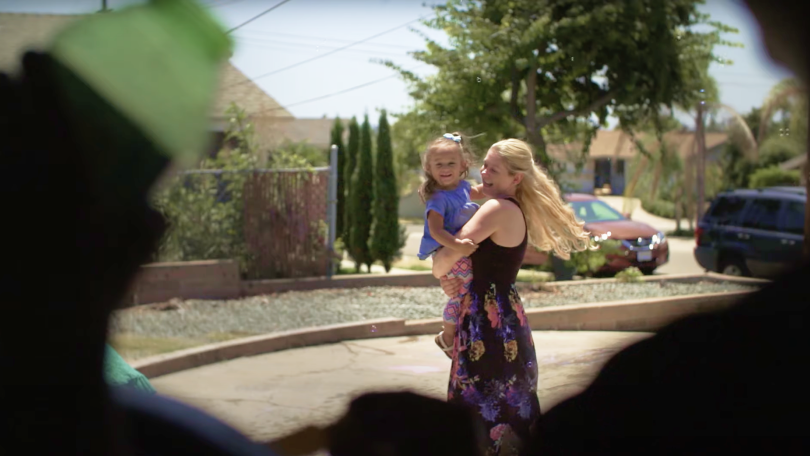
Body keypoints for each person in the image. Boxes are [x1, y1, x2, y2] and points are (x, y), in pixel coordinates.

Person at [431, 138, 593, 455]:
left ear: (515, 178)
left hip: (486, 326)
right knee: (510, 412)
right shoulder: (508, 206)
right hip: (502, 319)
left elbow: (444, 260)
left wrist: (443, 270)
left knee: (481, 417)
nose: (484, 171)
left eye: (493, 168)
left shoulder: (496, 208)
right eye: (485, 164)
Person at [416, 132, 483, 357]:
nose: (445, 168)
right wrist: (457, 246)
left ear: (463, 164)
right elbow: (436, 231)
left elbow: (480, 192)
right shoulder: (437, 199)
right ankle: (447, 335)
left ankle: (462, 333)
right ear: (429, 168)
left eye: (451, 163)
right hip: (449, 250)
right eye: (439, 164)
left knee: (468, 292)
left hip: (459, 251)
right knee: (461, 294)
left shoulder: (463, 187)